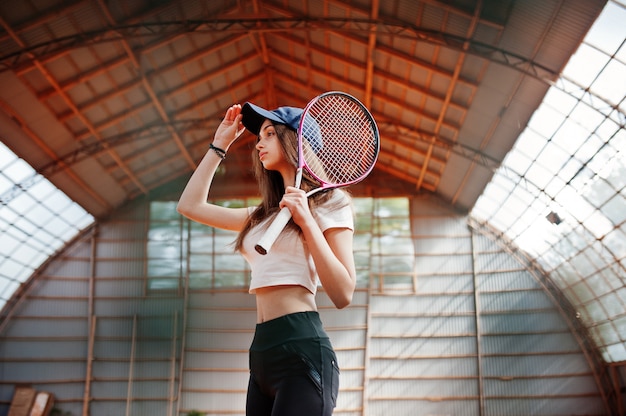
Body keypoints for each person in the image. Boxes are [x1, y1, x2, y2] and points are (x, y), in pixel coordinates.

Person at [177, 102, 357, 416]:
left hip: (302, 347)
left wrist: (306, 222)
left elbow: (344, 292)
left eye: (270, 133)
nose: (259, 142)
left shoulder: (331, 202)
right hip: (261, 351)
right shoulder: (262, 216)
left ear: (296, 141)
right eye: (260, 135)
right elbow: (190, 206)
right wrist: (219, 144)